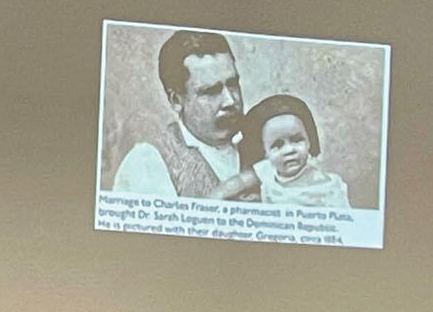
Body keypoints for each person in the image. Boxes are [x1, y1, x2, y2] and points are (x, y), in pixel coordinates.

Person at [111, 30, 255, 199]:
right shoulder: (148, 162)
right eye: (211, 91)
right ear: (176, 100)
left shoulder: (264, 142)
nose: (230, 100)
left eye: (232, 84)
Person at [208, 94, 350, 208]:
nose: (289, 150)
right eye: (278, 145)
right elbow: (237, 183)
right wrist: (213, 200)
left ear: (309, 141)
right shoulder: (267, 169)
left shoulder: (327, 185)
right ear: (264, 151)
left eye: (297, 140)